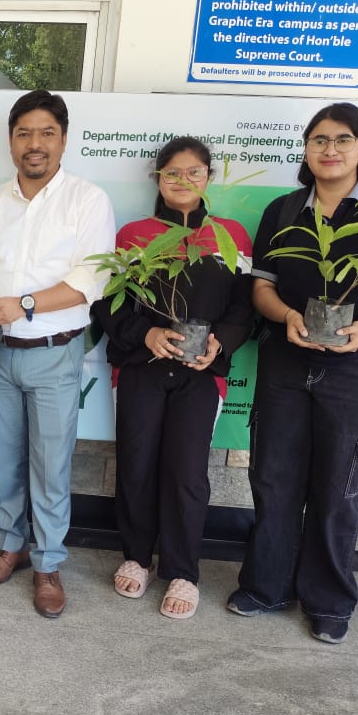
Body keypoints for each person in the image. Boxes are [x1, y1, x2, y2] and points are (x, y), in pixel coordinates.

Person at [228, 102, 358, 644]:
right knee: (274, 478)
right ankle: (265, 585)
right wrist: (288, 317)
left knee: (340, 486)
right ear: (305, 149)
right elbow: (262, 288)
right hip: (287, 359)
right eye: (318, 139)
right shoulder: (283, 210)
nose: (329, 149)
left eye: (342, 139)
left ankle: (328, 599)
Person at [0, 90, 116, 618]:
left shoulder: (87, 200)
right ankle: (11, 546)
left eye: (46, 133)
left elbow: (92, 280)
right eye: (24, 133)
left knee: (49, 464)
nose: (35, 144)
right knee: (6, 459)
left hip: (53, 354)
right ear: (11, 141)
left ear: (63, 140)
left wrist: (22, 305)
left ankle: (47, 564)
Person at [92, 137, 253, 619]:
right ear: (157, 179)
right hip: (141, 368)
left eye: (194, 172)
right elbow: (108, 303)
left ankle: (182, 570)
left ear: (209, 177)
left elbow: (244, 307)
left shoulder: (231, 237)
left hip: (200, 374)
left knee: (187, 471)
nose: (183, 181)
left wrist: (218, 342)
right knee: (137, 464)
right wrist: (146, 335)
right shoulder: (133, 235)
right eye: (172, 173)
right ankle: (137, 557)